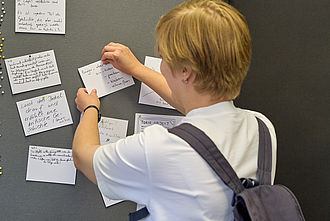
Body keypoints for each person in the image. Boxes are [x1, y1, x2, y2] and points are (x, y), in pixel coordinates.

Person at [72, 0, 277, 220]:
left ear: (185, 72)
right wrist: (137, 70)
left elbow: (83, 157)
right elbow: (196, 108)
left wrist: (91, 108)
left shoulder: (160, 148)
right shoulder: (262, 128)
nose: (161, 64)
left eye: (163, 58)